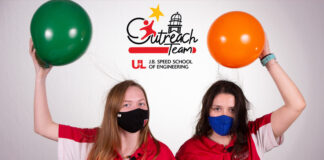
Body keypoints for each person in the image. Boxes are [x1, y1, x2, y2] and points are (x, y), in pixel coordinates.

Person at [29, 39, 175, 160]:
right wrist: (40, 77)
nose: (136, 109)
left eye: (141, 103)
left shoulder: (161, 153)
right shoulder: (91, 140)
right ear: (113, 110)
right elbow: (44, 127)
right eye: (127, 104)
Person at [176, 38, 306, 160]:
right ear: (207, 110)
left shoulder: (254, 135)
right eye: (217, 108)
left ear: (240, 111)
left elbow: (296, 105)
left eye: (232, 110)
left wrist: (268, 60)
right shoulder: (189, 150)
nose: (224, 115)